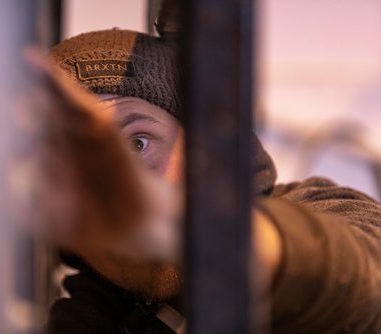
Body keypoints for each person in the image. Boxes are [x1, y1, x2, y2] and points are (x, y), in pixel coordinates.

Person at [39, 28, 381, 333]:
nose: (113, 183)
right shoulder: (99, 307)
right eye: (77, 166)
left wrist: (175, 226)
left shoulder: (316, 210)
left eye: (137, 142)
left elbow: (362, 279)